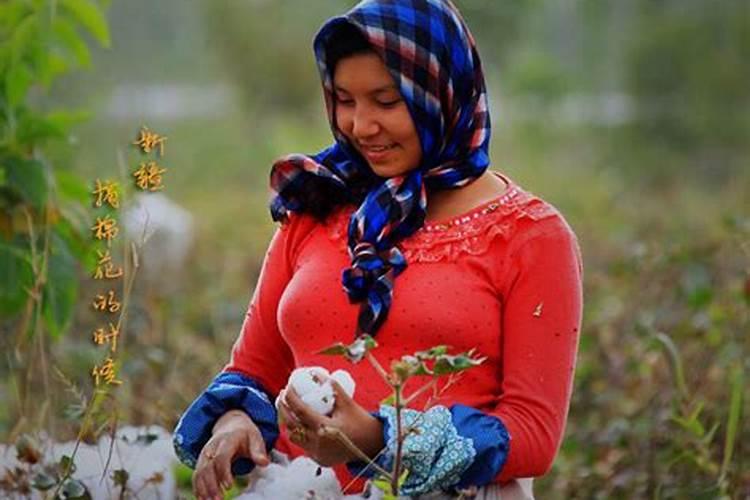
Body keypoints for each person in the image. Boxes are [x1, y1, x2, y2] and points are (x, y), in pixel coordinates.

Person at [173, 1, 583, 499]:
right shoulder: (316, 207)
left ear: (442, 94)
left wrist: (376, 439)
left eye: (387, 101)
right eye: (345, 99)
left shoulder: (530, 236)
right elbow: (254, 369)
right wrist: (234, 420)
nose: (361, 126)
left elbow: (533, 433)